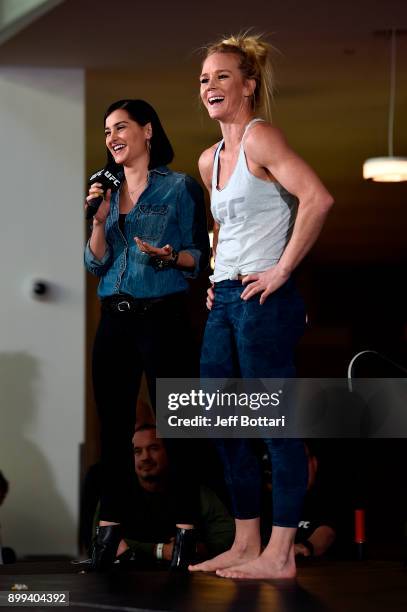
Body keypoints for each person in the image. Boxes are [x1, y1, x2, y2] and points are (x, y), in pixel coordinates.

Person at [189, 34, 334, 579]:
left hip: (263, 300)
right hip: (224, 298)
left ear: (248, 85)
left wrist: (282, 269)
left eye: (222, 76)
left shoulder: (261, 138)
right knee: (222, 421)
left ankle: (280, 553)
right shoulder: (210, 160)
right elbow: (223, 226)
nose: (210, 86)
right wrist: (214, 272)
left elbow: (318, 198)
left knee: (274, 424)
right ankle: (247, 542)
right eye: (204, 79)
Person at [84, 99, 210, 570]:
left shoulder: (179, 188)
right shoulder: (105, 193)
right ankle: (111, 530)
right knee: (113, 429)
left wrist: (167, 256)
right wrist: (98, 221)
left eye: (120, 127)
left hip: (162, 315)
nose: (112, 137)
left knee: (179, 425)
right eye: (106, 131)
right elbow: (95, 262)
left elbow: (198, 257)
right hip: (114, 319)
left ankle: (185, 530)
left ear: (147, 130)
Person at [90, 424, 234, 566]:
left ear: (169, 452)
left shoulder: (195, 492)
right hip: (127, 577)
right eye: (137, 451)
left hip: (185, 579)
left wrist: (200, 548)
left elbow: (228, 534)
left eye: (153, 448)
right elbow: (98, 543)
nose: (145, 457)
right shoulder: (116, 494)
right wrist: (158, 550)